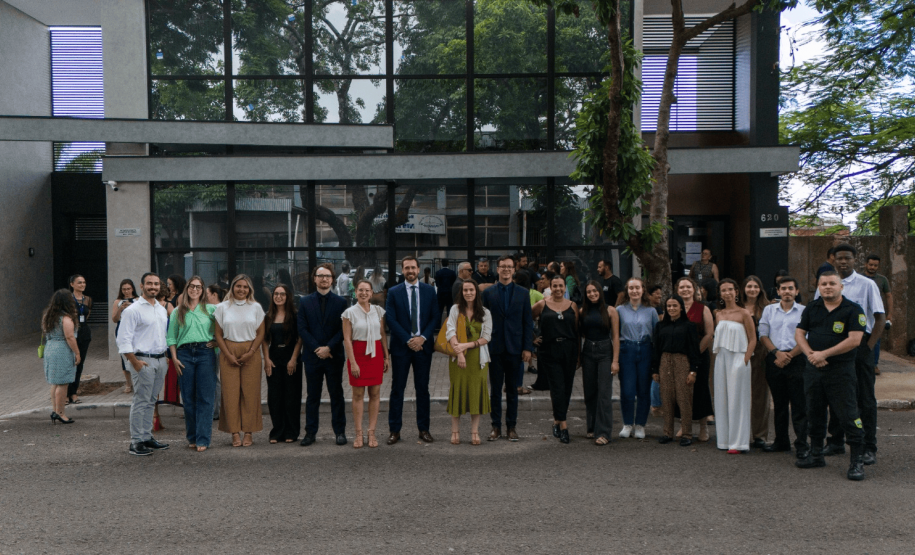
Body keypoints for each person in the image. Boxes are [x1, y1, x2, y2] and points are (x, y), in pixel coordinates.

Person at [795, 271, 868, 480]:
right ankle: (816, 454)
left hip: (840, 372)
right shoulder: (813, 307)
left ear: (841, 287)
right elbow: (800, 333)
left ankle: (856, 463)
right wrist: (811, 355)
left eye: (832, 284)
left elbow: (855, 340)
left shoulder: (853, 310)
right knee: (814, 413)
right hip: (814, 371)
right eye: (824, 284)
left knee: (849, 416)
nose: (827, 287)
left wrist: (824, 354)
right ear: (818, 286)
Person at [821, 243, 885, 465]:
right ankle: (836, 441)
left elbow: (879, 318)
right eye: (839, 258)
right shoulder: (829, 283)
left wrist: (868, 348)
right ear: (833, 260)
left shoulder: (866, 285)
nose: (843, 262)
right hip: (835, 346)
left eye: (847, 258)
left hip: (860, 345)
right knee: (836, 394)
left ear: (855, 260)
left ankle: (869, 447)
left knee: (865, 398)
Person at [385, 256, 439, 445]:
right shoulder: (393, 292)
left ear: (418, 269)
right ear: (403, 269)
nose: (410, 271)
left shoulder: (429, 291)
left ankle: (424, 429)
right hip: (401, 347)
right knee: (397, 390)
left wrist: (422, 338)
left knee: (422, 390)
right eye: (406, 268)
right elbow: (390, 320)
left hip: (423, 347)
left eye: (413, 268)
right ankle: (394, 430)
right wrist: (409, 339)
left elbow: (435, 317)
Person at [117, 272, 170, 456]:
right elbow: (123, 340)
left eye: (156, 284)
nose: (153, 287)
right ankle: (136, 441)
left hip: (160, 360)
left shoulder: (161, 309)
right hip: (142, 360)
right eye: (149, 284)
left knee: (151, 400)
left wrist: (166, 357)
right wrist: (135, 363)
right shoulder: (132, 310)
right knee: (140, 400)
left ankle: (147, 437)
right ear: (141, 286)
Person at [482, 255, 534, 442]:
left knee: (513, 390)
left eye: (509, 267)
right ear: (497, 269)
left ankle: (511, 427)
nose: (506, 269)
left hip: (515, 349)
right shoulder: (488, 293)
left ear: (514, 270)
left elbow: (528, 323)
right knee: (495, 391)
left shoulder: (522, 293)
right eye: (502, 266)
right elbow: (483, 322)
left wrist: (528, 348)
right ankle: (496, 427)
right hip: (494, 348)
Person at [298, 264, 348, 447]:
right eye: (320, 276)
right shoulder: (304, 302)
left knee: (337, 394)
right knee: (312, 396)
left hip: (334, 356)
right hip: (312, 357)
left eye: (327, 276)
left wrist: (328, 348)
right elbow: (302, 329)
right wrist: (317, 348)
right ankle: (310, 433)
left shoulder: (342, 302)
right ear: (314, 279)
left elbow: (343, 330)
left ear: (332, 279)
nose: (324, 279)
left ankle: (340, 432)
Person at [758, 276, 808, 458]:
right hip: (775, 359)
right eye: (783, 288)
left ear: (796, 291)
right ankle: (781, 441)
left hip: (797, 359)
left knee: (799, 404)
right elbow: (763, 334)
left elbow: (806, 337)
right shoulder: (769, 311)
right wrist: (777, 353)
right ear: (778, 291)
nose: (787, 292)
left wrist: (789, 355)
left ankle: (802, 444)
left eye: (790, 288)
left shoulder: (804, 311)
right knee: (779, 404)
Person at [213, 274, 266, 448]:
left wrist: (251, 352)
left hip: (250, 351)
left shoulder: (256, 307)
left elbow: (261, 334)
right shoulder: (222, 307)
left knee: (250, 393)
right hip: (229, 350)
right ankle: (235, 432)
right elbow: (218, 335)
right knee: (230, 393)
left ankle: (248, 432)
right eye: (238, 286)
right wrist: (228, 355)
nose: (242, 290)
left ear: (249, 289)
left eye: (245, 287)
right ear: (232, 287)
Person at [167, 275, 218, 452]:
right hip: (184, 354)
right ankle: (192, 436)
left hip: (205, 353)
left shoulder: (211, 310)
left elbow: (224, 328)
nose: (195, 289)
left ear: (202, 290)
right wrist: (174, 358)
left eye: (198, 287)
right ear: (187, 288)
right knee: (188, 398)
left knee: (205, 398)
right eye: (191, 286)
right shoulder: (177, 311)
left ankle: (203, 439)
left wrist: (218, 342)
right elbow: (171, 337)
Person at [342, 280, 391, 449]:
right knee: (357, 394)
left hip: (376, 353)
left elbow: (382, 333)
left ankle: (372, 432)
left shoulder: (378, 311)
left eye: (367, 290)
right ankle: (358, 433)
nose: (364, 293)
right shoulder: (349, 313)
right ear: (355, 292)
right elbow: (347, 339)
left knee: (375, 393)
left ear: (371, 293)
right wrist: (353, 362)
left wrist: (386, 357)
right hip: (358, 354)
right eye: (360, 290)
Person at [446, 279, 493, 445]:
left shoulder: (485, 312)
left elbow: (486, 337)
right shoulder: (455, 309)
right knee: (457, 391)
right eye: (465, 290)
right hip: (458, 357)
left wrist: (468, 345)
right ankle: (455, 432)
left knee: (476, 393)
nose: (468, 293)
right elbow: (450, 331)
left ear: (476, 292)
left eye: (471, 290)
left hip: (478, 360)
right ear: (461, 292)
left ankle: (474, 432)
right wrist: (460, 353)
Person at [532, 275, 579, 443]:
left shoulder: (573, 306)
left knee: (566, 388)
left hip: (569, 350)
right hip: (549, 351)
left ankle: (556, 421)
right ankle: (564, 426)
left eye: (561, 286)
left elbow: (577, 331)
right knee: (557, 387)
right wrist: (533, 339)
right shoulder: (542, 304)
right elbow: (526, 320)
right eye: (555, 286)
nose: (558, 289)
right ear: (550, 287)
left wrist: (579, 355)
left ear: (565, 288)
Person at [712, 278, 756, 454]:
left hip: (739, 357)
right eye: (724, 290)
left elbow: (753, 339)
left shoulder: (744, 313)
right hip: (721, 358)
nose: (727, 293)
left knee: (738, 400)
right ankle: (724, 440)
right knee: (722, 399)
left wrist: (745, 359)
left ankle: (738, 443)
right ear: (720, 294)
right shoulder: (718, 314)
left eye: (730, 289)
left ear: (736, 292)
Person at [652, 294, 701, 446]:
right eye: (669, 306)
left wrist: (693, 371)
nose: (671, 309)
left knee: (684, 398)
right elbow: (656, 349)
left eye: (675, 306)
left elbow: (694, 350)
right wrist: (655, 369)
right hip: (664, 361)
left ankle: (687, 433)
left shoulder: (690, 326)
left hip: (682, 362)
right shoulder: (660, 326)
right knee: (666, 398)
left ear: (681, 307)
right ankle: (667, 433)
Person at [616, 277, 659, 439]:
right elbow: (615, 333)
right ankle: (627, 424)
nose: (634, 291)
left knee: (643, 390)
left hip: (646, 350)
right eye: (631, 288)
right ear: (627, 291)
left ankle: (640, 424)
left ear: (643, 290)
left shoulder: (651, 311)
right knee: (627, 390)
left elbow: (656, 335)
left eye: (637, 288)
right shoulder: (620, 310)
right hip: (627, 350)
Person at [578, 280, 620, 445]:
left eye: (595, 291)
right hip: (588, 350)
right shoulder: (582, 311)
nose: (592, 294)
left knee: (604, 393)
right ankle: (592, 427)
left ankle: (604, 433)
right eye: (589, 292)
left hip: (605, 352)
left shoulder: (611, 310)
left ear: (600, 292)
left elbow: (616, 336)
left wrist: (615, 360)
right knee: (590, 392)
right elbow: (579, 335)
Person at [261, 284, 304, 444]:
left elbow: (300, 339)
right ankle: (277, 431)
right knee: (275, 397)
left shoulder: (295, 315)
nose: (278, 296)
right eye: (276, 294)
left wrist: (293, 359)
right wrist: (267, 359)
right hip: (274, 358)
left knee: (291, 396)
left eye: (282, 294)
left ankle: (291, 431)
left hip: (291, 357)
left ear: (288, 297)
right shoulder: (268, 316)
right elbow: (265, 340)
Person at [674, 277, 714, 442]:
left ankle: (703, 427)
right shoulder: (674, 307)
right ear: (677, 290)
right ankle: (685, 425)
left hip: (699, 355)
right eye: (681, 287)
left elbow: (709, 333)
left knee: (701, 389)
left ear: (694, 289)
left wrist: (695, 354)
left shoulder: (702, 308)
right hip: (680, 356)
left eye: (688, 287)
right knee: (683, 391)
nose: (685, 290)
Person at [741, 275, 772, 449]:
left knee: (760, 395)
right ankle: (741, 433)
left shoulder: (767, 308)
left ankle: (760, 435)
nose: (752, 289)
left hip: (761, 353)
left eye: (755, 286)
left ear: (760, 289)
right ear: (743, 289)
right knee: (740, 395)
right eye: (749, 286)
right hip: (739, 352)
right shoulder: (737, 307)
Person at [42, 289, 81, 425]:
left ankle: (55, 410)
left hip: (50, 347)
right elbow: (69, 337)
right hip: (62, 350)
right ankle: (61, 413)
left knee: (55, 382)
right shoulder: (66, 318)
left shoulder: (48, 316)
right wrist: (77, 352)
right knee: (63, 383)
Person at [863, 254, 892, 375]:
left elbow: (889, 296)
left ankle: (874, 365)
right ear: (865, 264)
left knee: (876, 339)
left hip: (877, 314)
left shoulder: (882, 279)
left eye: (875, 265)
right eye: (870, 264)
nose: (872, 267)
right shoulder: (860, 278)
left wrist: (889, 314)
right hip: (862, 313)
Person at [67, 274, 92, 406]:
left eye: (84, 282)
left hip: (84, 333)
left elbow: (87, 314)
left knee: (79, 363)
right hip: (71, 332)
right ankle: (66, 393)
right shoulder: (68, 299)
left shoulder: (87, 299)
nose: (82, 285)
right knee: (70, 363)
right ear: (72, 284)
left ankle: (74, 393)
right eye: (79, 282)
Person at [112, 278, 139, 394]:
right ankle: (128, 383)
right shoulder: (117, 301)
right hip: (122, 330)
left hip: (135, 330)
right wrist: (120, 309)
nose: (126, 291)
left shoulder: (138, 300)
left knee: (137, 355)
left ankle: (138, 381)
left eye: (128, 289)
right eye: (124, 289)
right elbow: (114, 319)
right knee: (125, 356)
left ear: (132, 289)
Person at [206, 283, 225, 419]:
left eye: (207, 294)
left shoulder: (217, 309)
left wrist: (217, 342)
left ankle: (216, 410)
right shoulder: (218, 308)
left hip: (215, 348)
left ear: (214, 295)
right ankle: (216, 409)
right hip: (215, 346)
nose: (205, 297)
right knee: (214, 378)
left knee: (213, 378)